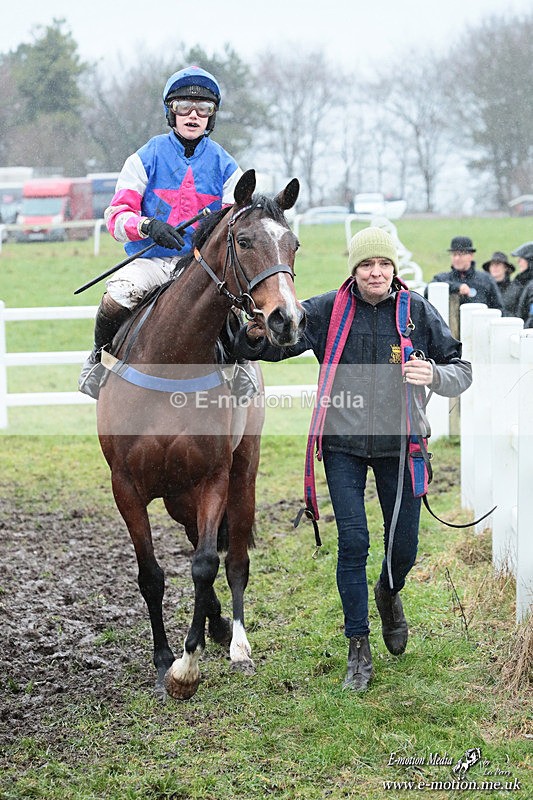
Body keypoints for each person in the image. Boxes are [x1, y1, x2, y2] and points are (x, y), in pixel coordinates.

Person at [234, 226, 472, 692]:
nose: (375, 272)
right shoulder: (326, 310)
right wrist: (252, 335)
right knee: (353, 542)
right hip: (342, 445)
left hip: (400, 445)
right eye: (366, 264)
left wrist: (434, 374)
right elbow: (275, 345)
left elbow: (461, 370)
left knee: (403, 548)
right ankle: (358, 648)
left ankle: (389, 591)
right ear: (354, 270)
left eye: (383, 264)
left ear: (393, 269)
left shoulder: (416, 312)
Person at [78, 65, 248, 399]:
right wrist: (147, 226)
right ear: (171, 112)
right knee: (117, 296)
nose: (193, 115)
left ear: (212, 117)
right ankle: (98, 359)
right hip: (151, 262)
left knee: (232, 304)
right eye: (183, 106)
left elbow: (236, 220)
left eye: (203, 108)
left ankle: (239, 368)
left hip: (202, 266)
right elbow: (115, 217)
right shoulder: (145, 156)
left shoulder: (227, 165)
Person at [425, 236, 503, 311]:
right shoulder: (441, 279)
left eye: (461, 254)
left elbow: (498, 308)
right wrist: (455, 287)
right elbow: (428, 291)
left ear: (471, 256)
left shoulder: (485, 280)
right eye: (454, 254)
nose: (456, 258)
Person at [481, 251, 515, 316]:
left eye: (498, 264)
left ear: (505, 268)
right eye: (492, 265)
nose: (494, 267)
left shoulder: (515, 288)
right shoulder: (485, 288)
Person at [508, 241, 533, 324]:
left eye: (521, 259)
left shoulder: (530, 285)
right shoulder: (520, 281)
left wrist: (522, 330)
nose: (518, 262)